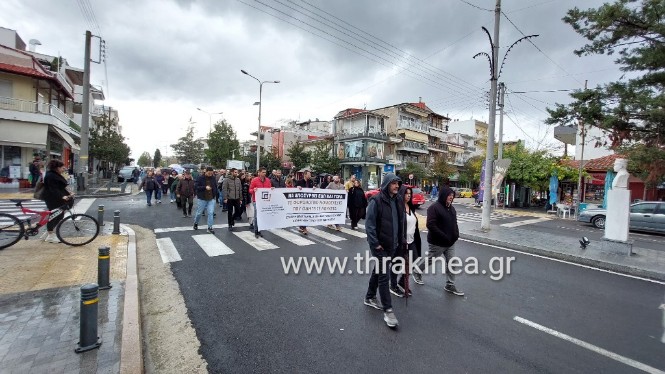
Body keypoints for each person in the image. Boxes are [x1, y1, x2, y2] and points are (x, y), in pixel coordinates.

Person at [364, 173, 405, 328]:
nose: (396, 186)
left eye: (398, 184)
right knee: (384, 276)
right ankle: (388, 310)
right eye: (394, 183)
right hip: (380, 246)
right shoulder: (376, 201)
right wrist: (375, 244)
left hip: (393, 244)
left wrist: (401, 241)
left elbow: (400, 222)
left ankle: (369, 296)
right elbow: (369, 225)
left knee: (379, 271)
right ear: (387, 184)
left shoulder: (398, 200)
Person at [412, 186, 463, 296]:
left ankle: (450, 284)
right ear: (444, 195)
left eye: (452, 195)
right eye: (449, 195)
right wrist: (444, 236)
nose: (451, 197)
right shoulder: (434, 208)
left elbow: (454, 223)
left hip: (450, 242)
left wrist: (456, 234)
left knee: (452, 262)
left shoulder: (452, 208)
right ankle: (416, 271)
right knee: (430, 259)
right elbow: (430, 225)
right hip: (437, 242)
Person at [396, 185, 422, 294]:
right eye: (406, 194)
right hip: (401, 241)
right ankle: (393, 284)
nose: (408, 196)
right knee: (397, 264)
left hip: (411, 240)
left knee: (413, 260)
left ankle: (402, 281)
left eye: (410, 194)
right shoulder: (398, 208)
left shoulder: (411, 207)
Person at [42, 159, 74, 243]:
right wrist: (62, 196)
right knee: (54, 216)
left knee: (59, 215)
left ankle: (49, 232)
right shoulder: (51, 176)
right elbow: (53, 189)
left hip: (57, 198)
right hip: (53, 199)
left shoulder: (55, 174)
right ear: (57, 168)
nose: (64, 169)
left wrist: (69, 192)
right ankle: (50, 235)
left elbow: (62, 185)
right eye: (62, 168)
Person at [193, 166, 218, 234]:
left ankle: (209, 227)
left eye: (211, 173)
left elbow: (215, 186)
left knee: (210, 213)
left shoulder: (213, 178)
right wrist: (204, 187)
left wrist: (215, 194)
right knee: (199, 213)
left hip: (211, 198)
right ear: (206, 172)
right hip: (202, 198)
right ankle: (196, 222)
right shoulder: (200, 178)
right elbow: (196, 186)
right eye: (209, 173)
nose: (210, 174)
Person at [249, 168, 272, 237]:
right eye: (263, 172)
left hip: (264, 201)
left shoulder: (268, 180)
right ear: (259, 173)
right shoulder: (254, 180)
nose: (264, 173)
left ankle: (259, 230)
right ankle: (256, 231)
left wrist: (272, 189)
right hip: (256, 200)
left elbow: (269, 189)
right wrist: (253, 190)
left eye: (265, 172)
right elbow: (250, 190)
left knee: (262, 216)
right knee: (257, 216)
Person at [295, 170, 315, 235]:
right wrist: (297, 187)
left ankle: (302, 227)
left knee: (306, 214)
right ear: (305, 175)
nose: (310, 176)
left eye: (310, 174)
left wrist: (314, 188)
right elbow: (294, 188)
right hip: (301, 201)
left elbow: (313, 189)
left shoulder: (311, 181)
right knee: (302, 214)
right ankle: (304, 227)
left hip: (308, 201)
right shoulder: (299, 181)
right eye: (309, 174)